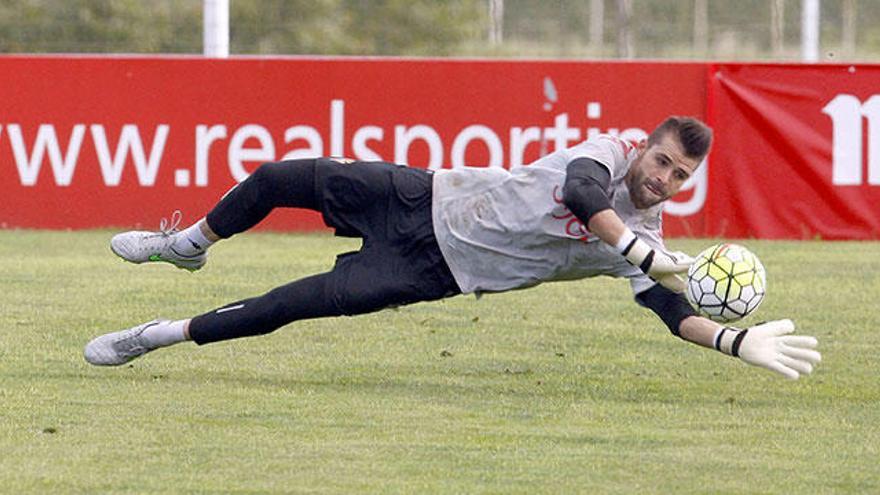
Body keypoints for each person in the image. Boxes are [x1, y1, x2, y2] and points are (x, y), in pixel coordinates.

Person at [84, 116, 821, 380]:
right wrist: (640, 248)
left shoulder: (647, 243)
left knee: (290, 305)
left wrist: (731, 340)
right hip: (422, 191)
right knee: (281, 173)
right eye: (662, 161)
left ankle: (158, 336)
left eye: (679, 175)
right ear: (646, 146)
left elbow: (667, 309)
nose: (663, 177)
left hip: (432, 269)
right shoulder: (608, 152)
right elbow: (580, 194)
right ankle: (187, 243)